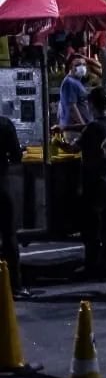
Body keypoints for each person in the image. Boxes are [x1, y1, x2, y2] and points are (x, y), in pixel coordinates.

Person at [72, 88, 106, 281]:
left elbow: (74, 146)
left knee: (91, 227)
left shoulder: (93, 128)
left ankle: (91, 265)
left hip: (94, 182)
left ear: (91, 105)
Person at [0, 104, 23, 296]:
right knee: (9, 235)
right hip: (1, 183)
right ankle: (14, 284)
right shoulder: (5, 124)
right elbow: (16, 155)